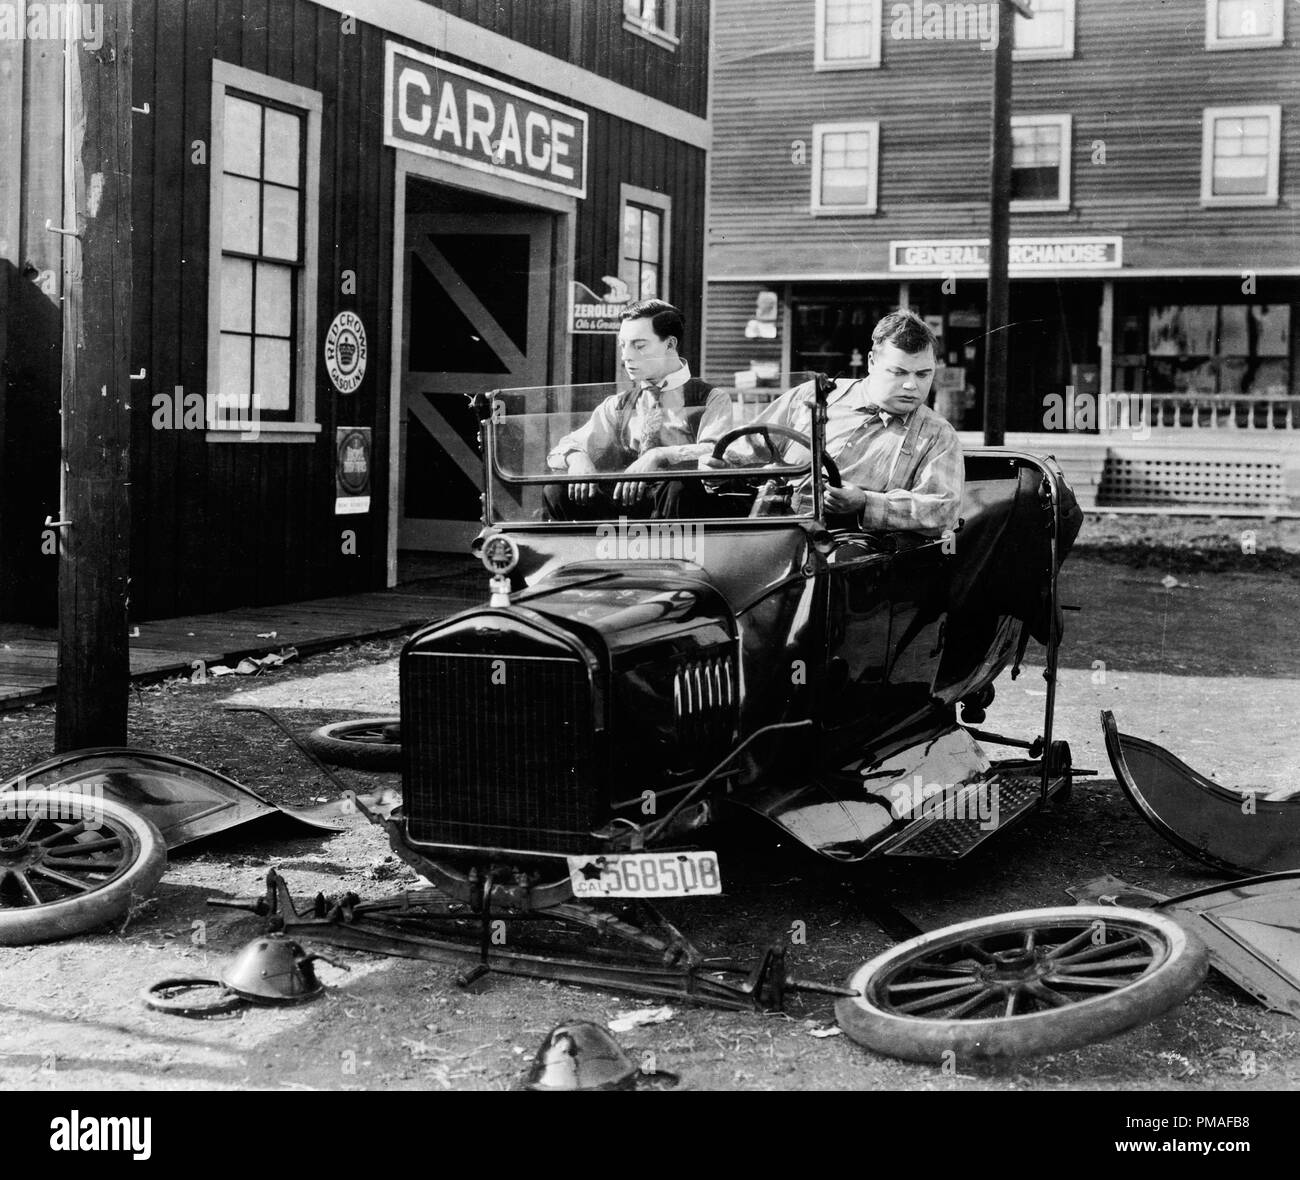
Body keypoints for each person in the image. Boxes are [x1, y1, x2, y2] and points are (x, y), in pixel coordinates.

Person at [702, 309, 962, 535]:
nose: (911, 385)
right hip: (767, 526)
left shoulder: (937, 434)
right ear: (871, 362)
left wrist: (865, 503)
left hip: (847, 545)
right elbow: (745, 450)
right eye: (898, 372)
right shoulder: (812, 396)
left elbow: (942, 510)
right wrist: (720, 469)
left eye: (923, 374)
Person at [545, 299, 732, 519]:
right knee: (556, 491)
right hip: (626, 504)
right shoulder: (618, 405)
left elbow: (718, 453)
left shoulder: (711, 398)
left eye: (639, 345)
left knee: (679, 486)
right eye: (622, 345)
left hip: (679, 510)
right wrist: (576, 457)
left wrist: (660, 455)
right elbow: (563, 449)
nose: (626, 356)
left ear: (670, 344)